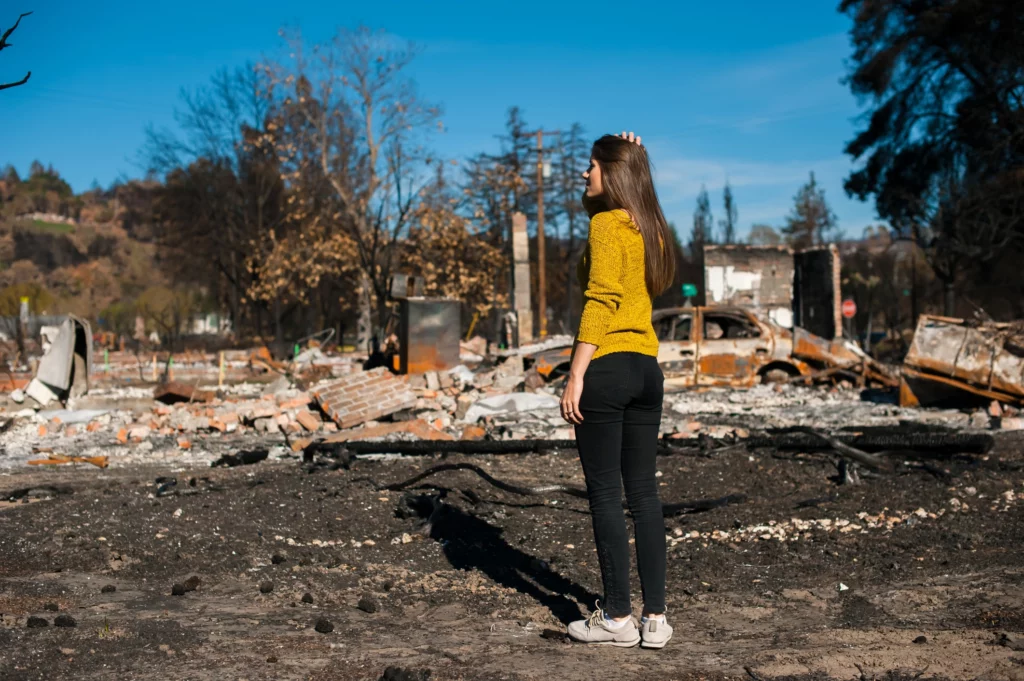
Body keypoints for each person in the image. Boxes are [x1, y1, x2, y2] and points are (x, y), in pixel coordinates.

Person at [560, 131, 676, 649]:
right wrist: (633, 157)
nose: (583, 174)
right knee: (645, 494)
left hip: (607, 368)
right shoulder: (647, 226)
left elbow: (601, 299)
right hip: (648, 370)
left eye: (591, 166)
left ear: (611, 172)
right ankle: (655, 619)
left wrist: (576, 371)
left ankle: (616, 618)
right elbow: (607, 198)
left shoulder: (607, 226)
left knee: (607, 494)